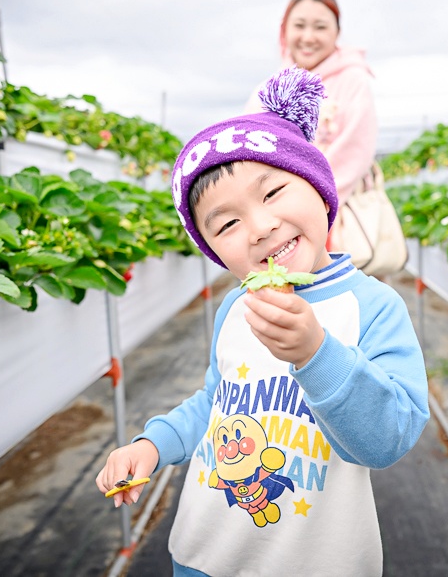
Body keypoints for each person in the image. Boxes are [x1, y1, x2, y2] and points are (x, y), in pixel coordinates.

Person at [96, 66, 429, 577]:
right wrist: (153, 444)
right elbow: (216, 401)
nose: (260, 227)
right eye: (226, 224)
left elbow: (387, 440)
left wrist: (316, 353)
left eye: (272, 193)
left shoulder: (373, 306)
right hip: (204, 554)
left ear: (319, 189)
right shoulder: (235, 307)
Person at [246, 0, 378, 211]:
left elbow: (354, 152)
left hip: (335, 207)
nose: (308, 37)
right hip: (277, 213)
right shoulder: (268, 88)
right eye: (299, 25)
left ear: (337, 32)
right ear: (284, 30)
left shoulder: (353, 79)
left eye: (320, 27)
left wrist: (309, 206)